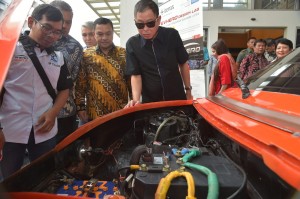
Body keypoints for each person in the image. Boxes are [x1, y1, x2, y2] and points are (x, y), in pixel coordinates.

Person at [0, 4, 72, 178]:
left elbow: (64, 89)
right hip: (9, 130)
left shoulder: (59, 57)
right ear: (31, 22)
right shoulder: (10, 50)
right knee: (8, 180)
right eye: (47, 27)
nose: (52, 35)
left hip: (44, 129)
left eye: (57, 31)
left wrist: (54, 112)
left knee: (44, 177)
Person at [125, 0, 192, 107]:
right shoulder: (132, 44)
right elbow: (136, 75)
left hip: (176, 98)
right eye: (140, 24)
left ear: (158, 20)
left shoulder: (172, 35)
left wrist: (188, 91)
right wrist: (136, 100)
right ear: (135, 22)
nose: (145, 29)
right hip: (151, 103)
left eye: (150, 23)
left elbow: (183, 63)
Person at [75, 17, 131, 122]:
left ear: (113, 33)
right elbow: (81, 84)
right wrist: (80, 107)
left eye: (108, 33)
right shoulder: (86, 55)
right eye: (100, 34)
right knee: (96, 139)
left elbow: (130, 82)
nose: (104, 37)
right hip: (95, 115)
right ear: (94, 34)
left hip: (120, 113)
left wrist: (133, 104)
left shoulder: (123, 54)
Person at [50, 0, 83, 142]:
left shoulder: (75, 47)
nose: (64, 26)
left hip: (65, 115)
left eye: (68, 22)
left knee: (66, 160)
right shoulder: (29, 44)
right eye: (60, 20)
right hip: (34, 115)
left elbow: (72, 81)